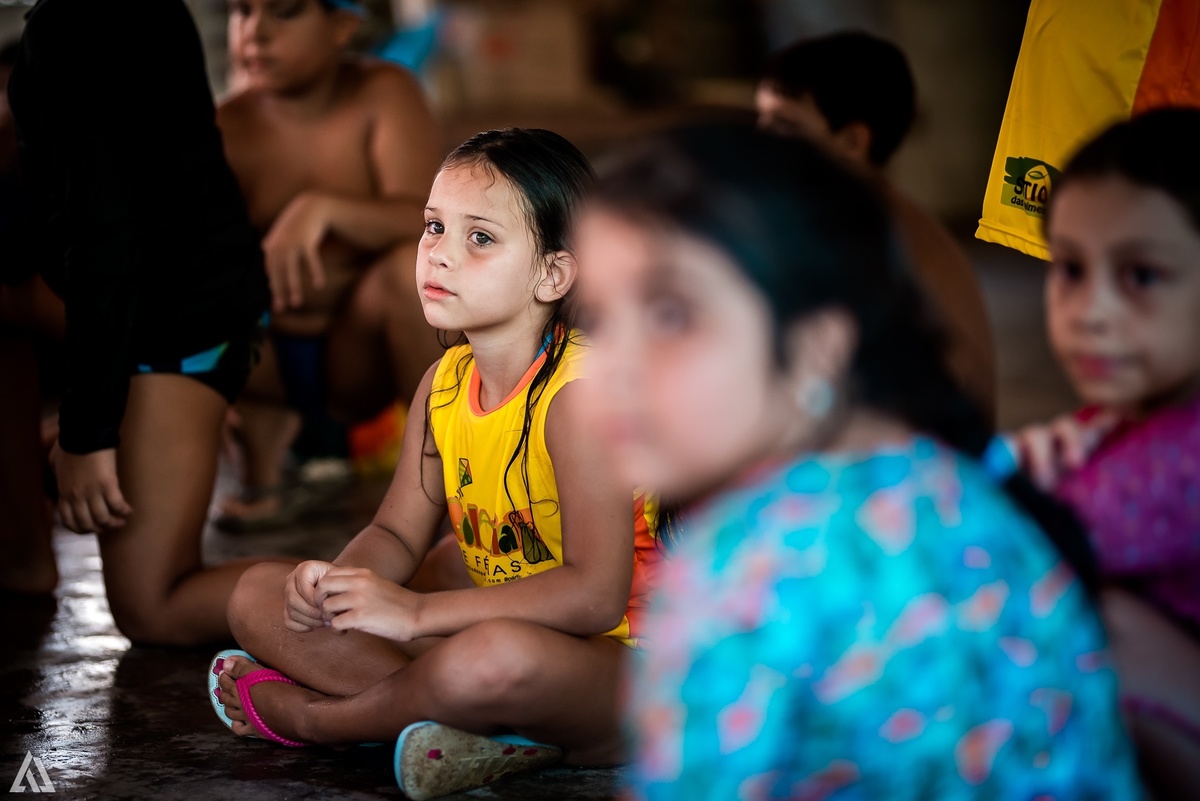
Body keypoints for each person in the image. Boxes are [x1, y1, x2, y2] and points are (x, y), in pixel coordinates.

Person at [571, 124, 1141, 799]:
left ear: (818, 345)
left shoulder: (745, 572)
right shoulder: (971, 492)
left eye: (671, 315)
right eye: (596, 319)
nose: (610, 369)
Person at [208, 129, 660, 799]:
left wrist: (415, 615)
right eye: (433, 227)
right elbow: (394, 533)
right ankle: (478, 733)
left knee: (493, 656)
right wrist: (337, 587)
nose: (439, 253)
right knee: (256, 595)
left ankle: (319, 719)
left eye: (479, 238)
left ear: (553, 275)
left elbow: (595, 598)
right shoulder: (444, 383)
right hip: (488, 653)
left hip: (626, 670)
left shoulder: (579, 397)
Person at [0, 0, 295, 642]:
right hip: (166, 294)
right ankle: (21, 547)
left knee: (150, 602)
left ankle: (411, 602)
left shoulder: (75, 25)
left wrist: (88, 434)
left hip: (174, 323)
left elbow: (105, 240)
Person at [1009, 108, 1200, 797]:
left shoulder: (1183, 455)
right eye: (1069, 269)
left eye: (1140, 276)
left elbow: (1004, 548)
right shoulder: (1133, 418)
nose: (1090, 312)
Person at [215, 0, 444, 529]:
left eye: (284, 12)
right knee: (191, 297)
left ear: (342, 26)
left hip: (360, 356)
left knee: (406, 271)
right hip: (266, 364)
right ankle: (263, 468)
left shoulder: (384, 93)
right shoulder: (227, 125)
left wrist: (321, 209)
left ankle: (451, 480)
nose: (255, 32)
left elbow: (427, 220)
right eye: (241, 10)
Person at [756, 31, 996, 419]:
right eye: (761, 119)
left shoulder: (867, 232)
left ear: (853, 142)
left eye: (784, 124)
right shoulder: (865, 215)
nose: (762, 139)